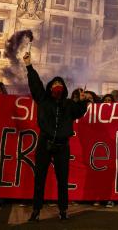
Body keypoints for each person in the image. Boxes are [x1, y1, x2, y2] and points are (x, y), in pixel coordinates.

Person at [23, 52, 90, 221]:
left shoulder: (69, 104)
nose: (57, 85)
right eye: (55, 83)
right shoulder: (43, 100)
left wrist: (82, 101)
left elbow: (79, 113)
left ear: (64, 88)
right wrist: (29, 66)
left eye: (60, 83)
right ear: (50, 87)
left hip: (62, 146)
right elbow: (35, 84)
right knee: (40, 179)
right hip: (44, 144)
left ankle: (63, 211)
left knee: (62, 180)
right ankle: (36, 211)